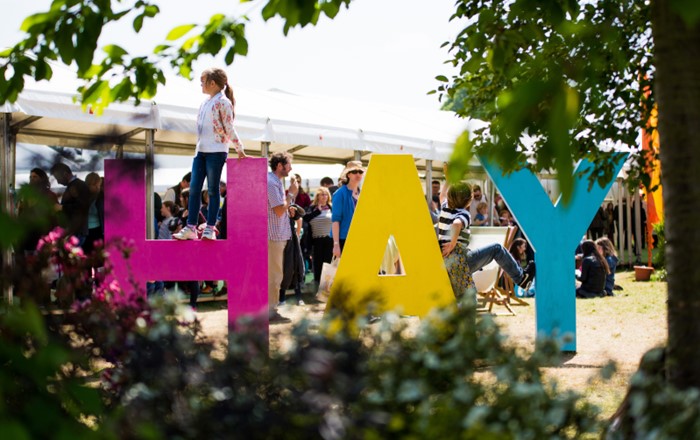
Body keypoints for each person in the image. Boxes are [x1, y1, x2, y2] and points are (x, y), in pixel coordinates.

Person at [174, 67, 246, 241]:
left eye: (202, 80)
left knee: (213, 190)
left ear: (212, 83)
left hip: (216, 151)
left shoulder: (223, 102)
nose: (200, 83)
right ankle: (190, 227)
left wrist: (239, 148)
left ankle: (211, 227)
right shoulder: (205, 102)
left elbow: (229, 127)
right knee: (194, 189)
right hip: (201, 151)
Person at [439, 183, 535, 302]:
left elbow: (442, 195)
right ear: (468, 201)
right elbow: (457, 224)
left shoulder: (444, 208)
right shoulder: (463, 214)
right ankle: (521, 279)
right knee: (497, 249)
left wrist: (448, 180)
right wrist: (452, 244)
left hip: (446, 262)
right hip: (461, 261)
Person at [267, 152, 298, 320]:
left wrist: (289, 207)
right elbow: (278, 210)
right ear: (280, 166)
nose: (291, 168)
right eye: (288, 165)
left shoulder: (274, 181)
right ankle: (271, 311)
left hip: (278, 234)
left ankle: (272, 309)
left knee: (276, 274)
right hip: (274, 236)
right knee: (275, 274)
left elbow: (280, 209)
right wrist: (292, 193)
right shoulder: (271, 182)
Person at [50, 162, 91, 246]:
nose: (57, 182)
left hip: (77, 232)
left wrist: (62, 208)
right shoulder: (75, 185)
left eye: (58, 178)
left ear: (65, 174)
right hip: (74, 231)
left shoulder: (79, 185)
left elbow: (82, 208)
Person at [331, 160, 364, 257]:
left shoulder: (362, 194)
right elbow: (335, 220)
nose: (358, 174)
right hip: (343, 239)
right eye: (354, 172)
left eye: (360, 172)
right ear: (348, 174)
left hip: (360, 238)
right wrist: (336, 244)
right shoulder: (340, 193)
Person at [303, 186, 333, 289]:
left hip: (330, 240)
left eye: (326, 194)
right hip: (316, 241)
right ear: (317, 196)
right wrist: (317, 211)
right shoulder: (312, 208)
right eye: (322, 194)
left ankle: (326, 290)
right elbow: (305, 219)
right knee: (318, 266)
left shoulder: (332, 208)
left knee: (328, 265)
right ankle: (317, 289)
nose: (324, 196)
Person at [83, 172, 104, 255]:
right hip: (88, 231)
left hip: (96, 230)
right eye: (97, 185)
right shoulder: (83, 196)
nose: (98, 187)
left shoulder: (101, 196)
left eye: (99, 185)